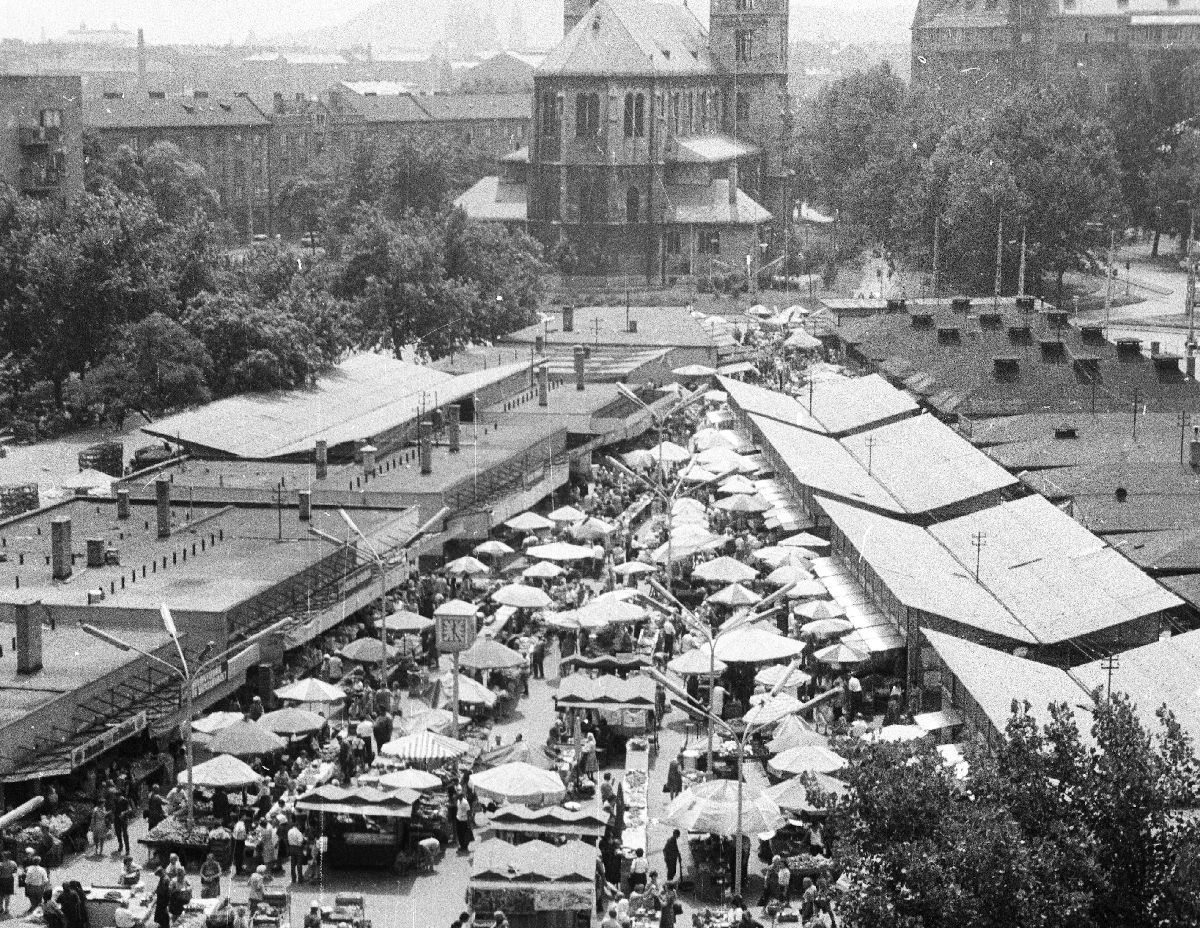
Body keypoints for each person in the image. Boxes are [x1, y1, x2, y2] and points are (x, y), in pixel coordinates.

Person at [113, 791, 132, 856]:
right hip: (116, 819)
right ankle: (120, 845)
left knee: (125, 834)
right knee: (118, 833)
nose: (116, 799)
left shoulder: (125, 801)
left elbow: (130, 809)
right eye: (116, 797)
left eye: (117, 797)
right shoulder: (115, 800)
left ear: (120, 796)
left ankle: (127, 849)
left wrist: (124, 812)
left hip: (124, 819)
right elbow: (113, 809)